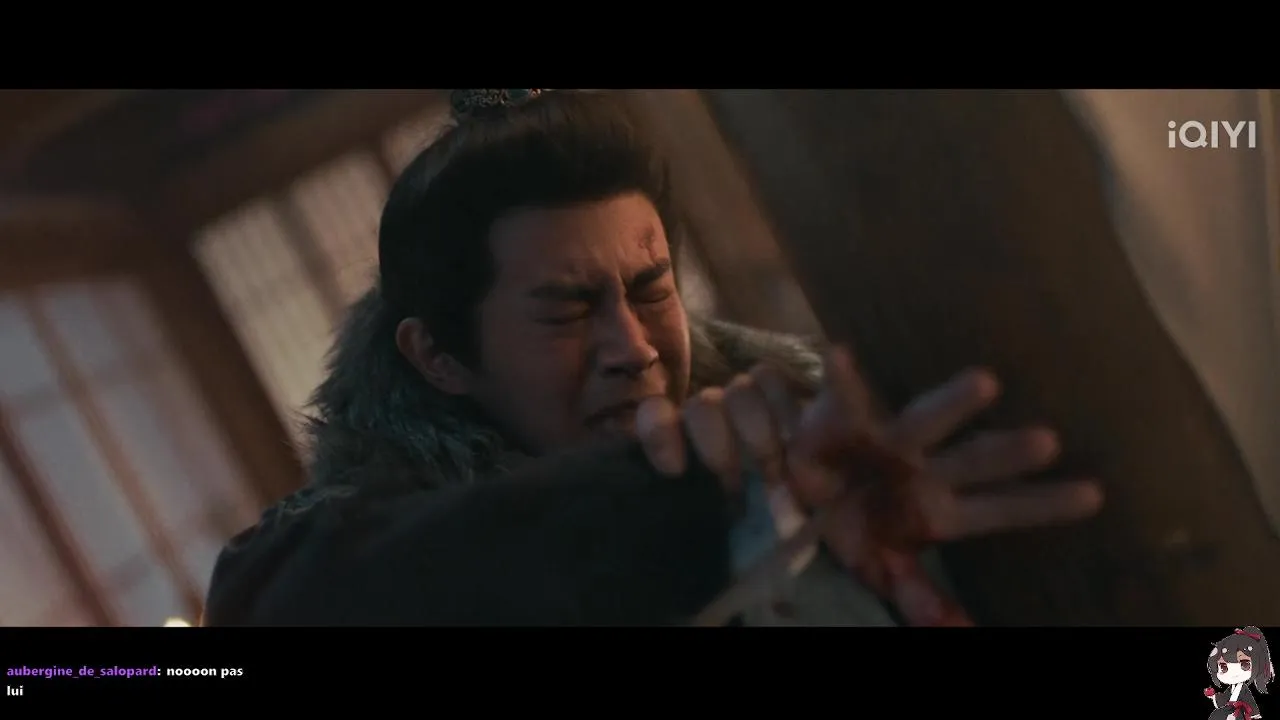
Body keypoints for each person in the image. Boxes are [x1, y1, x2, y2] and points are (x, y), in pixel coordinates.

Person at [201, 89, 1103, 626]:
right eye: (566, 310)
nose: (632, 349)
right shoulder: (361, 552)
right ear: (438, 356)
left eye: (649, 288)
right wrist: (697, 502)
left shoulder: (834, 471)